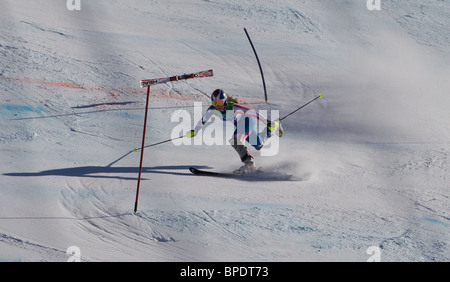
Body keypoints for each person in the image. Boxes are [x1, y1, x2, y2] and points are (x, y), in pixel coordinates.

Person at [187, 89, 283, 174]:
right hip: (241, 125)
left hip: (247, 120)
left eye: (220, 102)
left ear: (224, 101)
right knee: (259, 145)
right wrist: (195, 131)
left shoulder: (232, 107)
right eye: (215, 103)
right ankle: (271, 130)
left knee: (235, 140)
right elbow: (202, 121)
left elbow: (252, 112)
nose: (217, 105)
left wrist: (266, 121)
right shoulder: (212, 110)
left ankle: (249, 164)